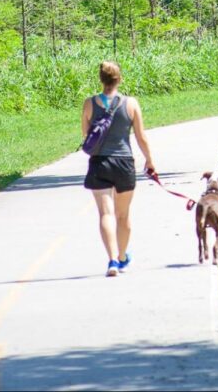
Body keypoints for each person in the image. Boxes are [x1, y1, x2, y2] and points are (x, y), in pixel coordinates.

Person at [81, 61, 156, 277]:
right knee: (123, 215)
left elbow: (86, 136)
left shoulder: (89, 104)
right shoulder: (131, 103)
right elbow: (141, 136)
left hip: (99, 163)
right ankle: (122, 257)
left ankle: (112, 259)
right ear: (119, 79)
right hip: (124, 163)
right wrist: (150, 160)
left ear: (101, 80)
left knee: (106, 213)